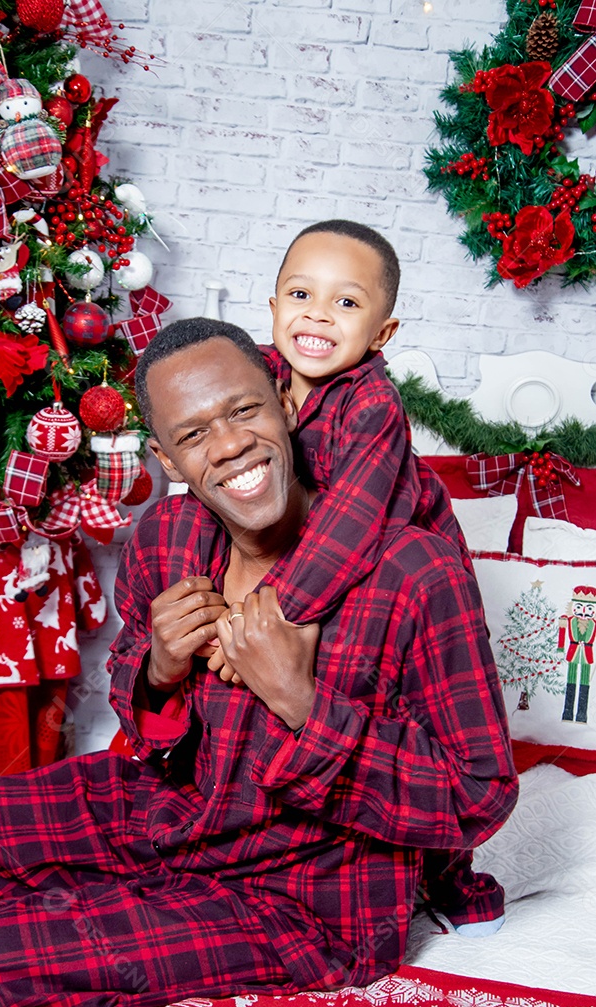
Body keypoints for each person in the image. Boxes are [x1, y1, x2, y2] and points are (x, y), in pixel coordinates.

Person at [0, 319, 517, 1007]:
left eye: (244, 411)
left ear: (283, 403)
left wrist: (303, 705)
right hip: (175, 814)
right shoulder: (167, 538)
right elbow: (131, 695)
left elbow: (478, 793)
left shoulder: (414, 572)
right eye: (194, 432)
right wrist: (159, 669)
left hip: (306, 896)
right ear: (166, 456)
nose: (230, 447)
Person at [195, 221, 505, 937]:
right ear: (271, 303)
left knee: (420, 730)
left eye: (345, 304)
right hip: (323, 580)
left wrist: (268, 619)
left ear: (381, 330)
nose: (317, 316)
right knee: (336, 710)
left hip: (403, 585)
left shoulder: (370, 405)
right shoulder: (258, 383)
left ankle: (453, 878)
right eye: (301, 293)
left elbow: (350, 523)